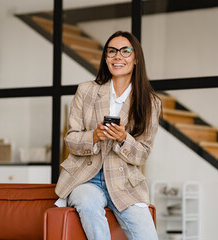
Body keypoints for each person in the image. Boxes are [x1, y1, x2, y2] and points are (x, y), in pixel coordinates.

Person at [55, 31, 161, 240]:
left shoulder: (150, 102)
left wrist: (123, 138)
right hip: (86, 179)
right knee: (87, 203)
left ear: (136, 58)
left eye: (125, 51)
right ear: (105, 58)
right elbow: (71, 140)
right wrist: (94, 136)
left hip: (125, 184)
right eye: (111, 51)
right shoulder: (86, 91)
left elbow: (142, 154)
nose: (117, 56)